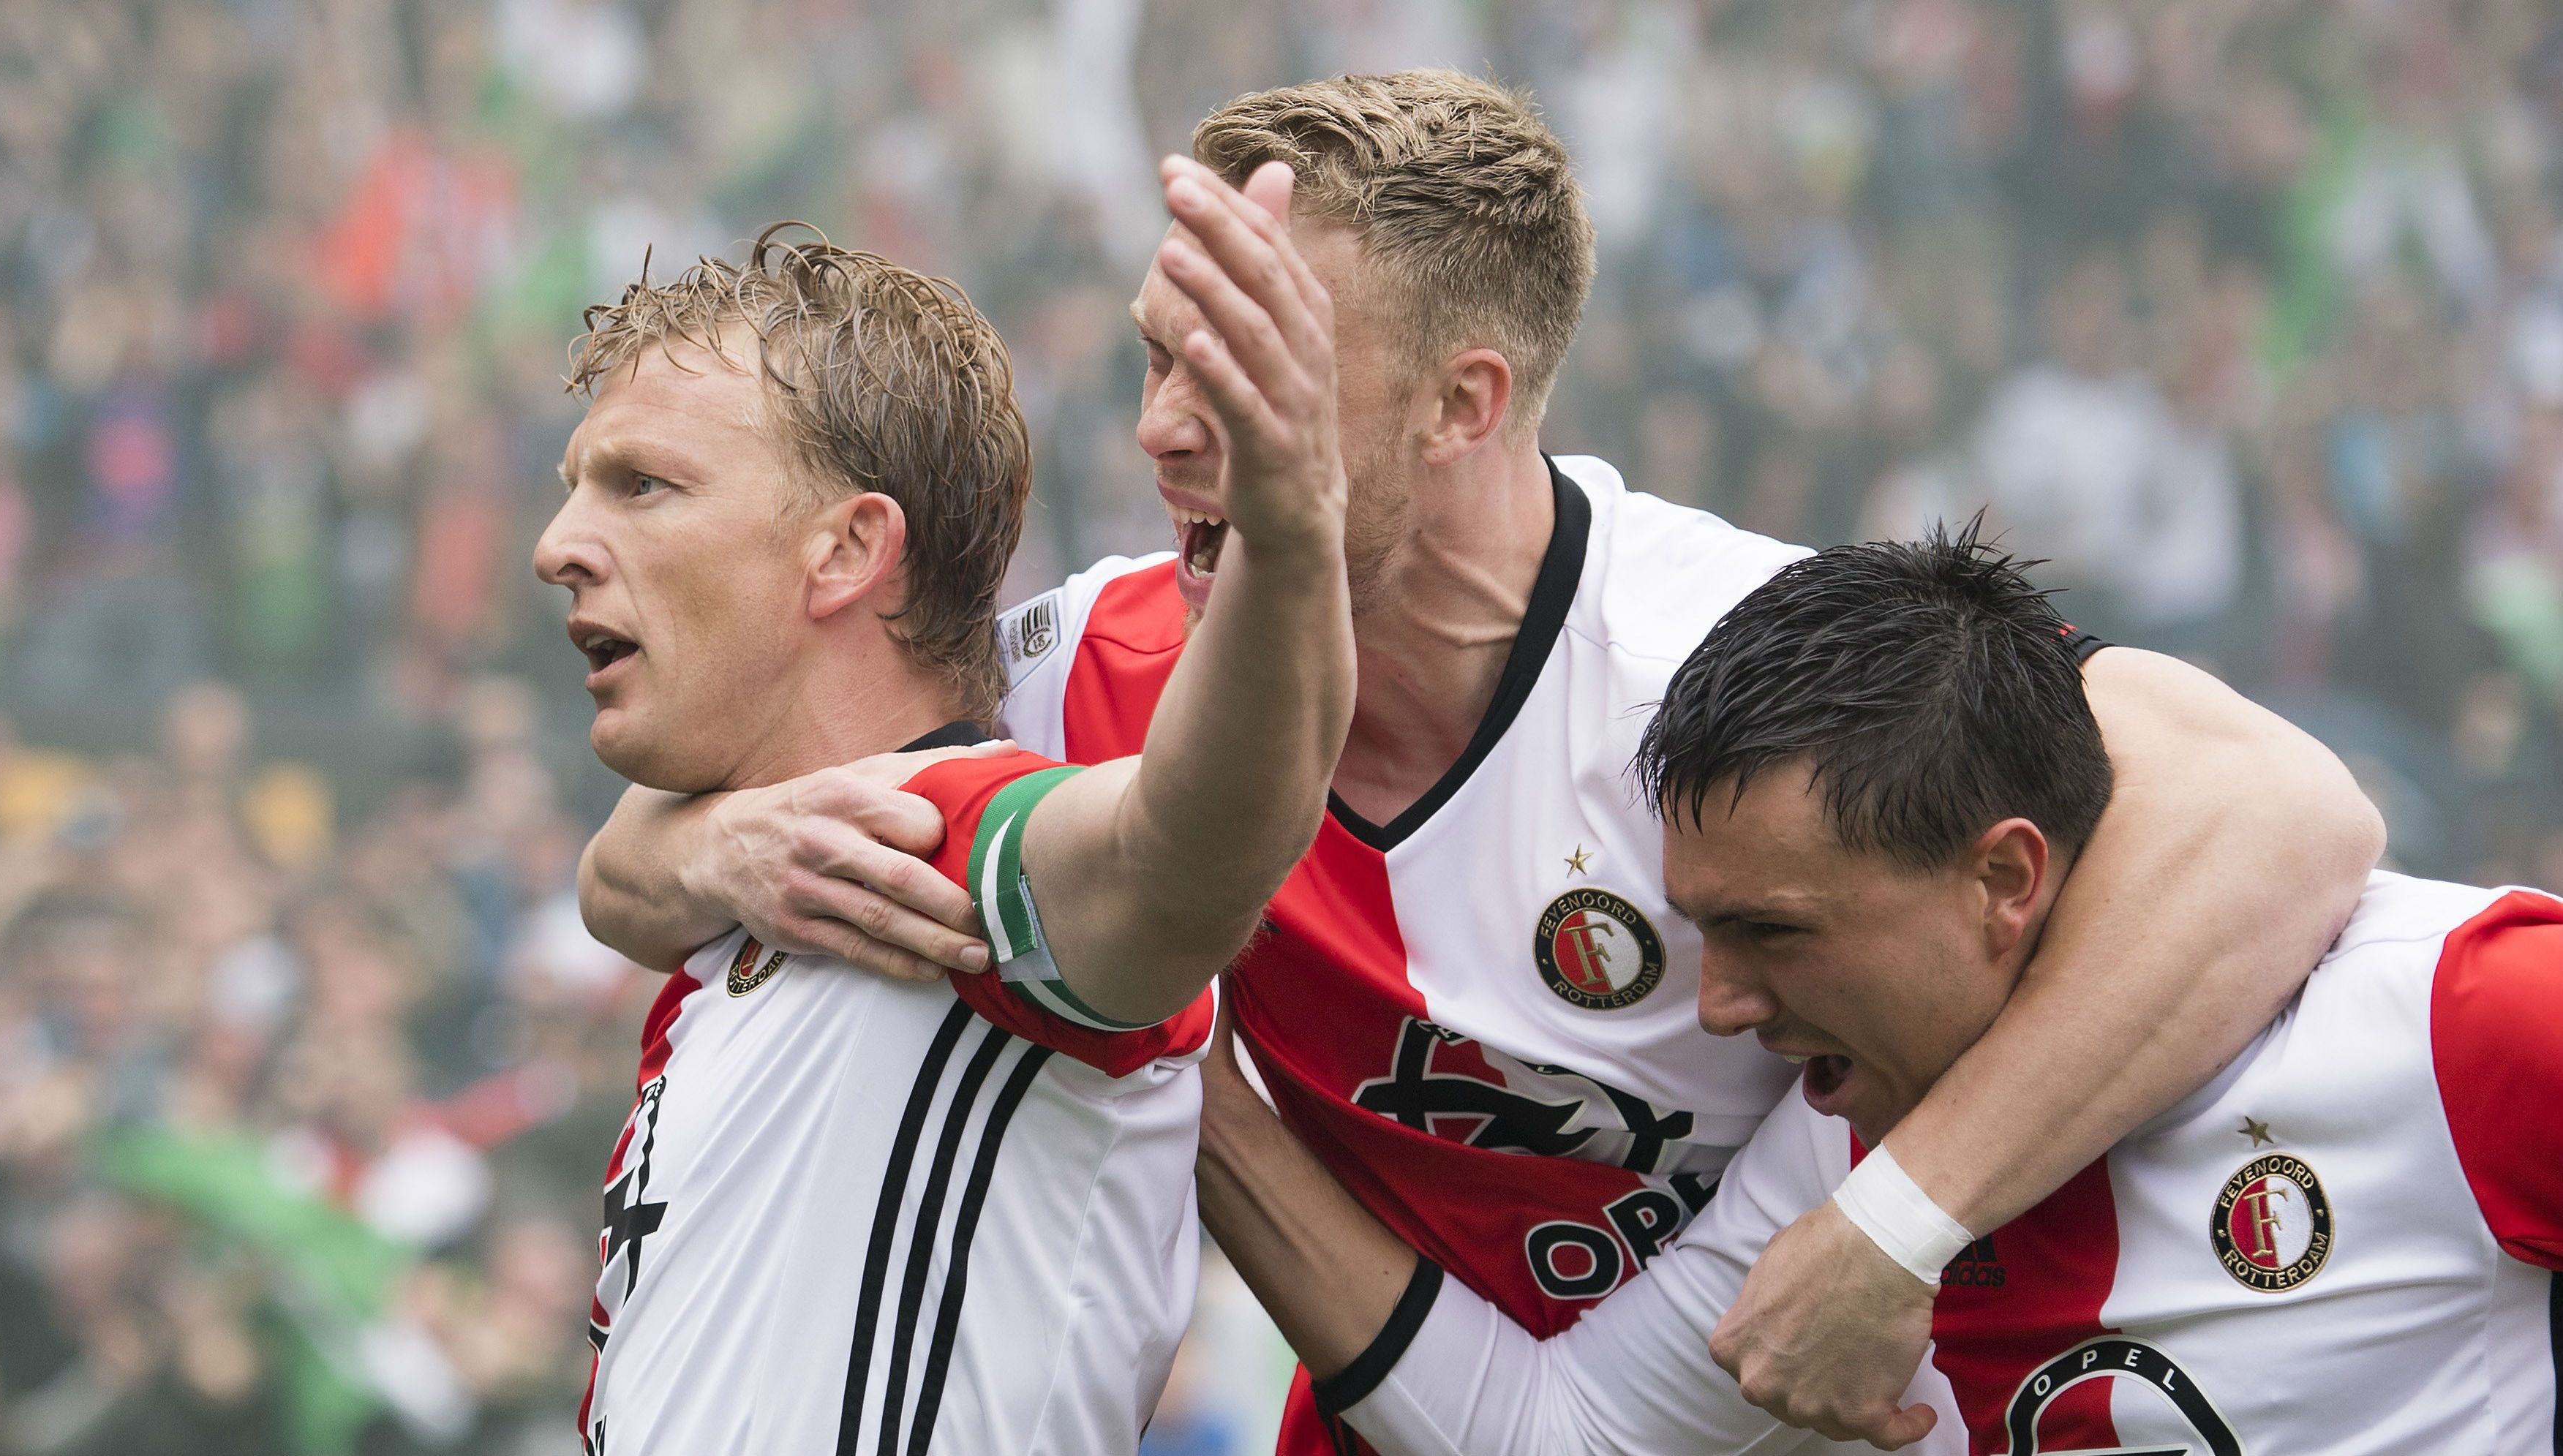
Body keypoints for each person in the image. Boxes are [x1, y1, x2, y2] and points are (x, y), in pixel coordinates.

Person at [573, 71, 2385, 1452]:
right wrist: (698, 865)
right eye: (1155, 360)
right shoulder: (1105, 670)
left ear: (1465, 404)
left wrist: (1894, 1226)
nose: (1164, 432)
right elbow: (745, 784)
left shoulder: (1722, 661)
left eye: (1254, 369)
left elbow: (2278, 809)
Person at [1211, 523, 2563, 1456]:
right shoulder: (1841, 1174)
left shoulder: (2448, 1022)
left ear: (2002, 881)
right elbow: (1559, 1439)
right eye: (1699, 934)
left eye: (1771, 934)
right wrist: (1186, 1077)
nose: (1721, 1005)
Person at [537, 176, 1353, 1456]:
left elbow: (1184, 855)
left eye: (642, 486)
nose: (559, 544)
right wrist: (701, 848)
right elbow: (617, 882)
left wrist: (1290, 535)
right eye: (579, 485)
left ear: (847, 551)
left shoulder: (947, 839)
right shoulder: (743, 909)